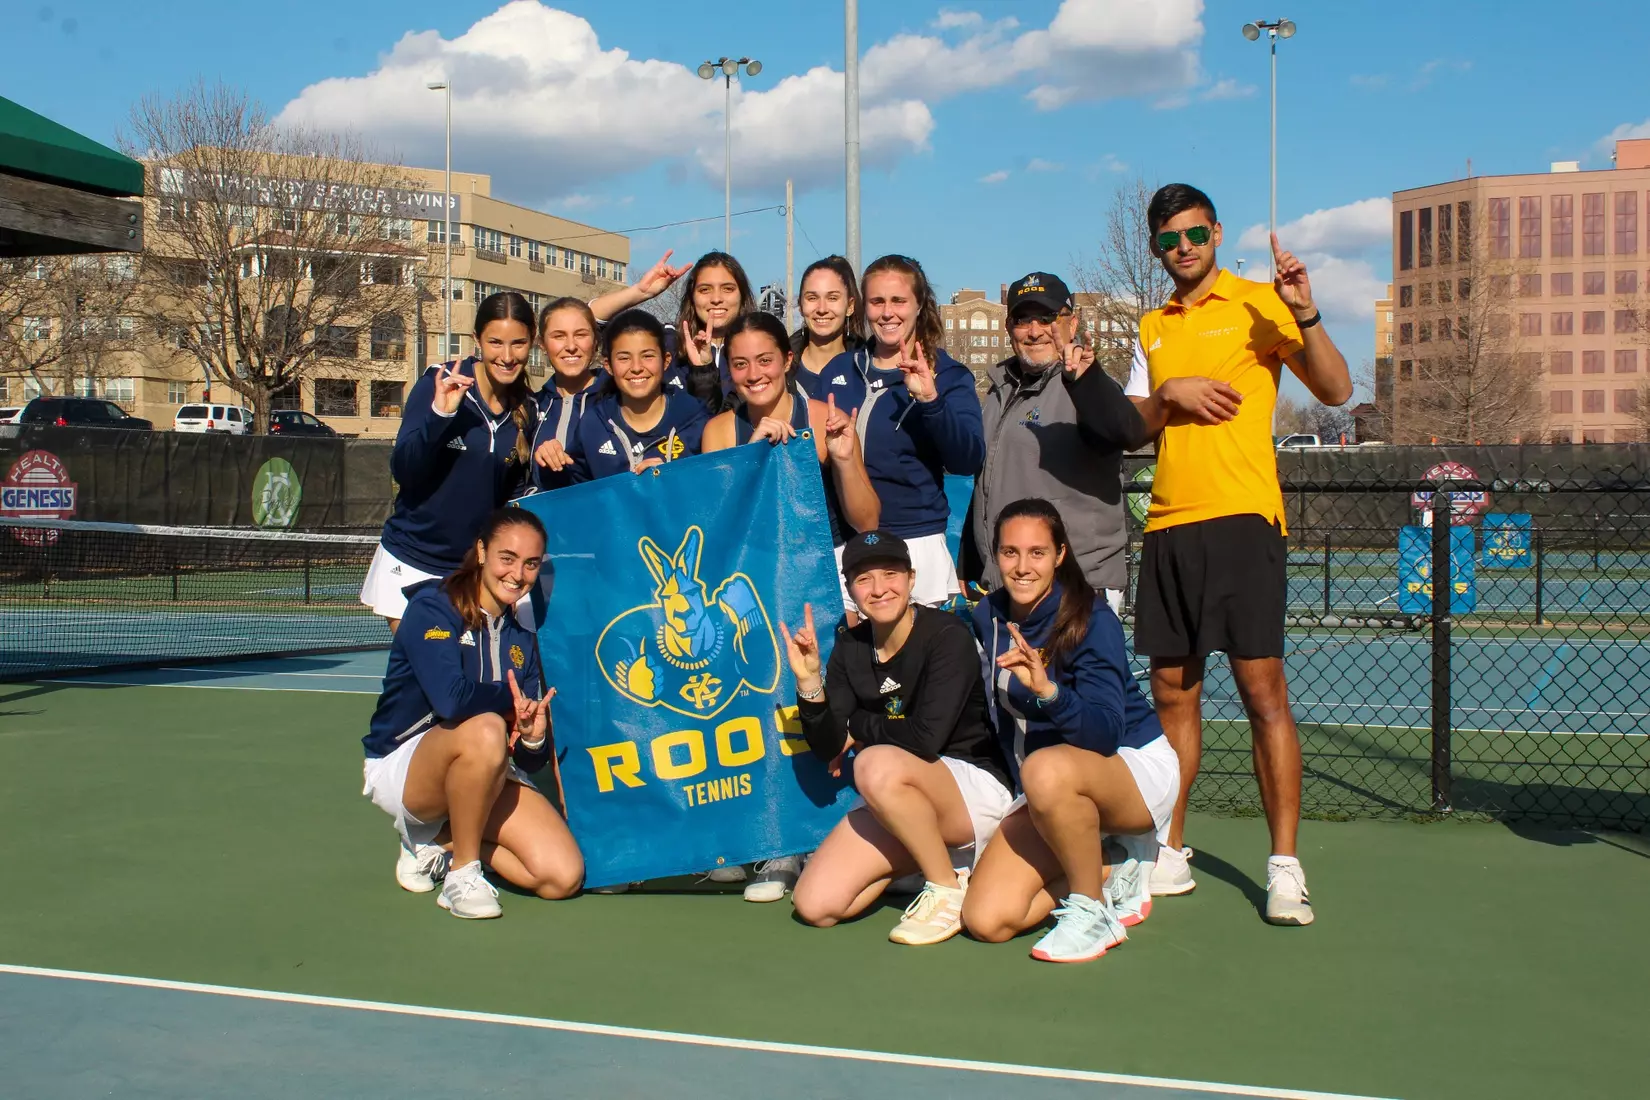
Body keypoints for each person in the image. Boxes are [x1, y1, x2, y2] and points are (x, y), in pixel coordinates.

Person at [1124, 183, 1352, 925]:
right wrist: (1171, 396)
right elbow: (1133, 427)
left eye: (1193, 234)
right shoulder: (1149, 326)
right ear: (1157, 247)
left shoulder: (1263, 301)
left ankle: (1285, 866)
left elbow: (1338, 388)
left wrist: (1306, 307)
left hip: (1244, 523)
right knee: (1171, 698)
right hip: (1168, 529)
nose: (1182, 249)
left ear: (1217, 233)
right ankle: (1170, 850)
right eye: (1168, 240)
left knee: (1263, 695)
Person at [702, 310, 881, 903]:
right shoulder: (720, 430)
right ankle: (751, 837)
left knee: (806, 704)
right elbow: (716, 526)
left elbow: (865, 520)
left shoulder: (822, 416)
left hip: (814, 581)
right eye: (740, 363)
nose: (754, 373)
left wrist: (846, 454)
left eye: (765, 360)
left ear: (786, 360)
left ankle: (794, 844)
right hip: (748, 586)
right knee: (748, 706)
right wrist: (750, 459)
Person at [961, 499, 1179, 963]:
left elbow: (1103, 734)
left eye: (1037, 553)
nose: (1022, 567)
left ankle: (1093, 913)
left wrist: (1048, 690)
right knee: (987, 920)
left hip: (1129, 769)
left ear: (1060, 555)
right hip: (1049, 785)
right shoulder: (988, 617)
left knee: (1046, 769)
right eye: (1010, 552)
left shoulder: (1090, 619)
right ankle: (1112, 863)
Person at [783, 531, 1012, 946]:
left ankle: (945, 888)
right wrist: (810, 683)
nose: (879, 588)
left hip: (972, 789)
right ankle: (939, 864)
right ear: (850, 588)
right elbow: (828, 746)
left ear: (911, 578)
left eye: (890, 574)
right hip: (899, 795)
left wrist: (859, 725)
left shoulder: (946, 636)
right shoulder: (850, 646)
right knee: (816, 905)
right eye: (864, 579)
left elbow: (925, 738)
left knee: (872, 762)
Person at [361, 508, 583, 919]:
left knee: (561, 877)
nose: (518, 574)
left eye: (531, 564)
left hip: (488, 768)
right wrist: (506, 702)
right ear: (481, 552)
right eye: (507, 558)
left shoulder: (522, 638)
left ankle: (438, 845)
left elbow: (530, 760)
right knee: (484, 728)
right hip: (407, 767)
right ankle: (463, 875)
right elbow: (450, 700)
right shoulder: (434, 607)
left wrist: (533, 734)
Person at [965, 272, 1147, 614]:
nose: (1034, 331)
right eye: (1023, 320)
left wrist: (1087, 382)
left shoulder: (1083, 384)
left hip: (1076, 586)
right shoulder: (998, 391)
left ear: (1072, 322)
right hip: (1009, 583)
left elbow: (1125, 430)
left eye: (1047, 318)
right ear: (1009, 328)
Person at [364, 292, 539, 630]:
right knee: (424, 677)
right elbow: (405, 470)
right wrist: (441, 414)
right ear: (477, 340)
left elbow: (511, 498)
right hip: (411, 560)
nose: (507, 356)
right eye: (495, 342)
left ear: (531, 342)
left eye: (518, 343)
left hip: (473, 573)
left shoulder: (527, 409)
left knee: (472, 679)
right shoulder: (438, 382)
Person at [819, 255, 985, 606]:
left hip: (913, 543)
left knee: (911, 659)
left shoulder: (948, 375)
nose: (887, 312)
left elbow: (967, 458)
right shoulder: (840, 369)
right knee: (845, 660)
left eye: (899, 301)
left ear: (919, 305)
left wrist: (930, 401)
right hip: (843, 545)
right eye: (877, 301)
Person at [552, 310, 709, 482]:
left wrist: (672, 480)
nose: (636, 367)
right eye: (624, 358)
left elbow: (715, 490)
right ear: (608, 365)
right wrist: (549, 465)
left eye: (647, 356)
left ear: (666, 361)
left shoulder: (696, 420)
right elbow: (573, 493)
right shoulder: (593, 424)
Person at [529, 297, 603, 492]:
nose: (571, 345)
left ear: (595, 341)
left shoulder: (616, 398)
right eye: (559, 336)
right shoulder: (531, 406)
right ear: (542, 344)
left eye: (580, 334)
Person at [789, 256, 865, 400]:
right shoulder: (779, 369)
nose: (822, 309)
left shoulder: (866, 368)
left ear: (850, 306)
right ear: (800, 306)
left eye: (832, 298)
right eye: (812, 298)